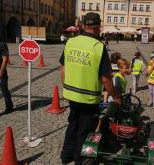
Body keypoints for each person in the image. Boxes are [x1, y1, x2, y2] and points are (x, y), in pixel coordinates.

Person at [59, 12, 121, 164]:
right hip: (89, 98)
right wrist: (116, 96)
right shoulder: (99, 47)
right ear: (99, 27)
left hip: (71, 95)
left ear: (83, 25)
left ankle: (66, 155)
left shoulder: (71, 42)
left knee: (73, 123)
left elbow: (63, 68)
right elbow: (106, 79)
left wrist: (67, 87)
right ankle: (79, 160)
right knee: (85, 130)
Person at [96, 58, 130, 132]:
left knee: (112, 115)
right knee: (106, 115)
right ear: (120, 68)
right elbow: (110, 89)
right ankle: (98, 129)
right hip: (113, 100)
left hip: (117, 98)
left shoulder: (121, 76)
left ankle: (109, 128)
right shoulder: (117, 77)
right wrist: (106, 100)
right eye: (126, 68)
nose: (127, 70)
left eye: (128, 68)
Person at [0, 28, 14, 113]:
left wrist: (1, 72)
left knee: (5, 91)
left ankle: (9, 106)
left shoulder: (2, 44)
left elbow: (5, 59)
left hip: (0, 74)